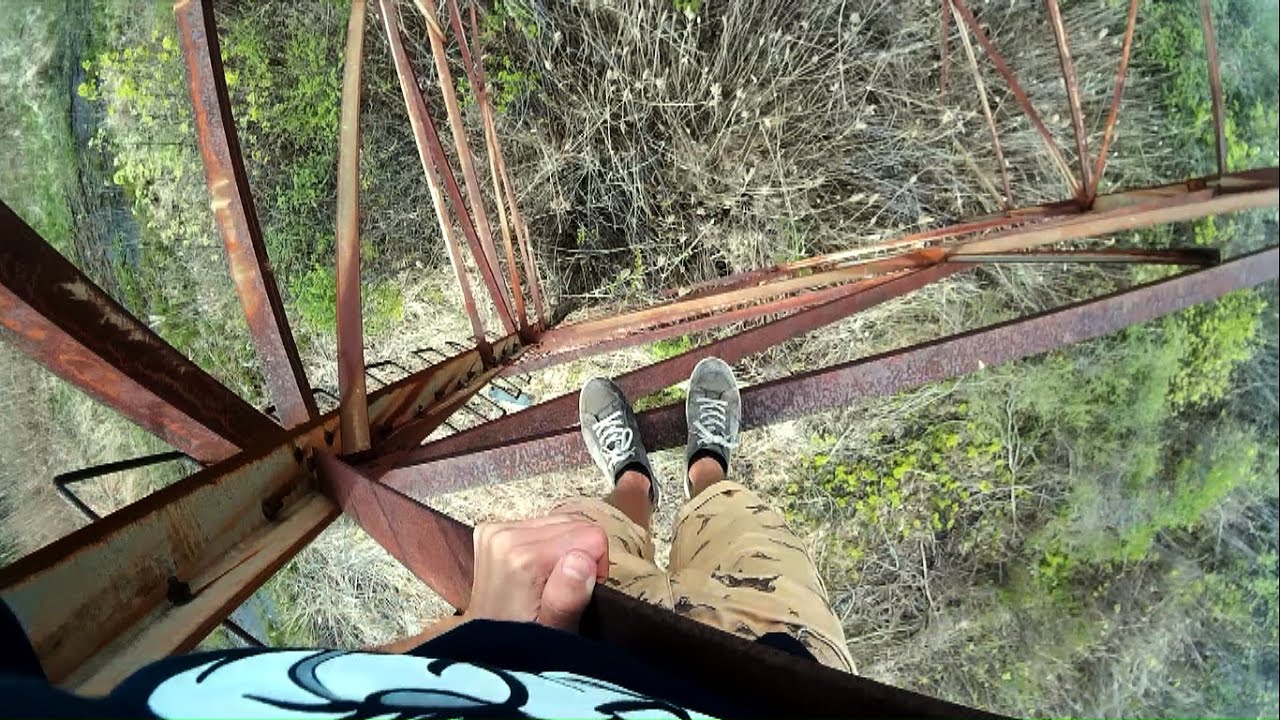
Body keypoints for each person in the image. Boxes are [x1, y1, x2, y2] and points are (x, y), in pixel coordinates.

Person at [0, 358, 852, 718]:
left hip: (556, 643)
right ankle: (708, 467)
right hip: (782, 683)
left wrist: (481, 640)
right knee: (750, 538)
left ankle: (635, 483)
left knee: (592, 536)